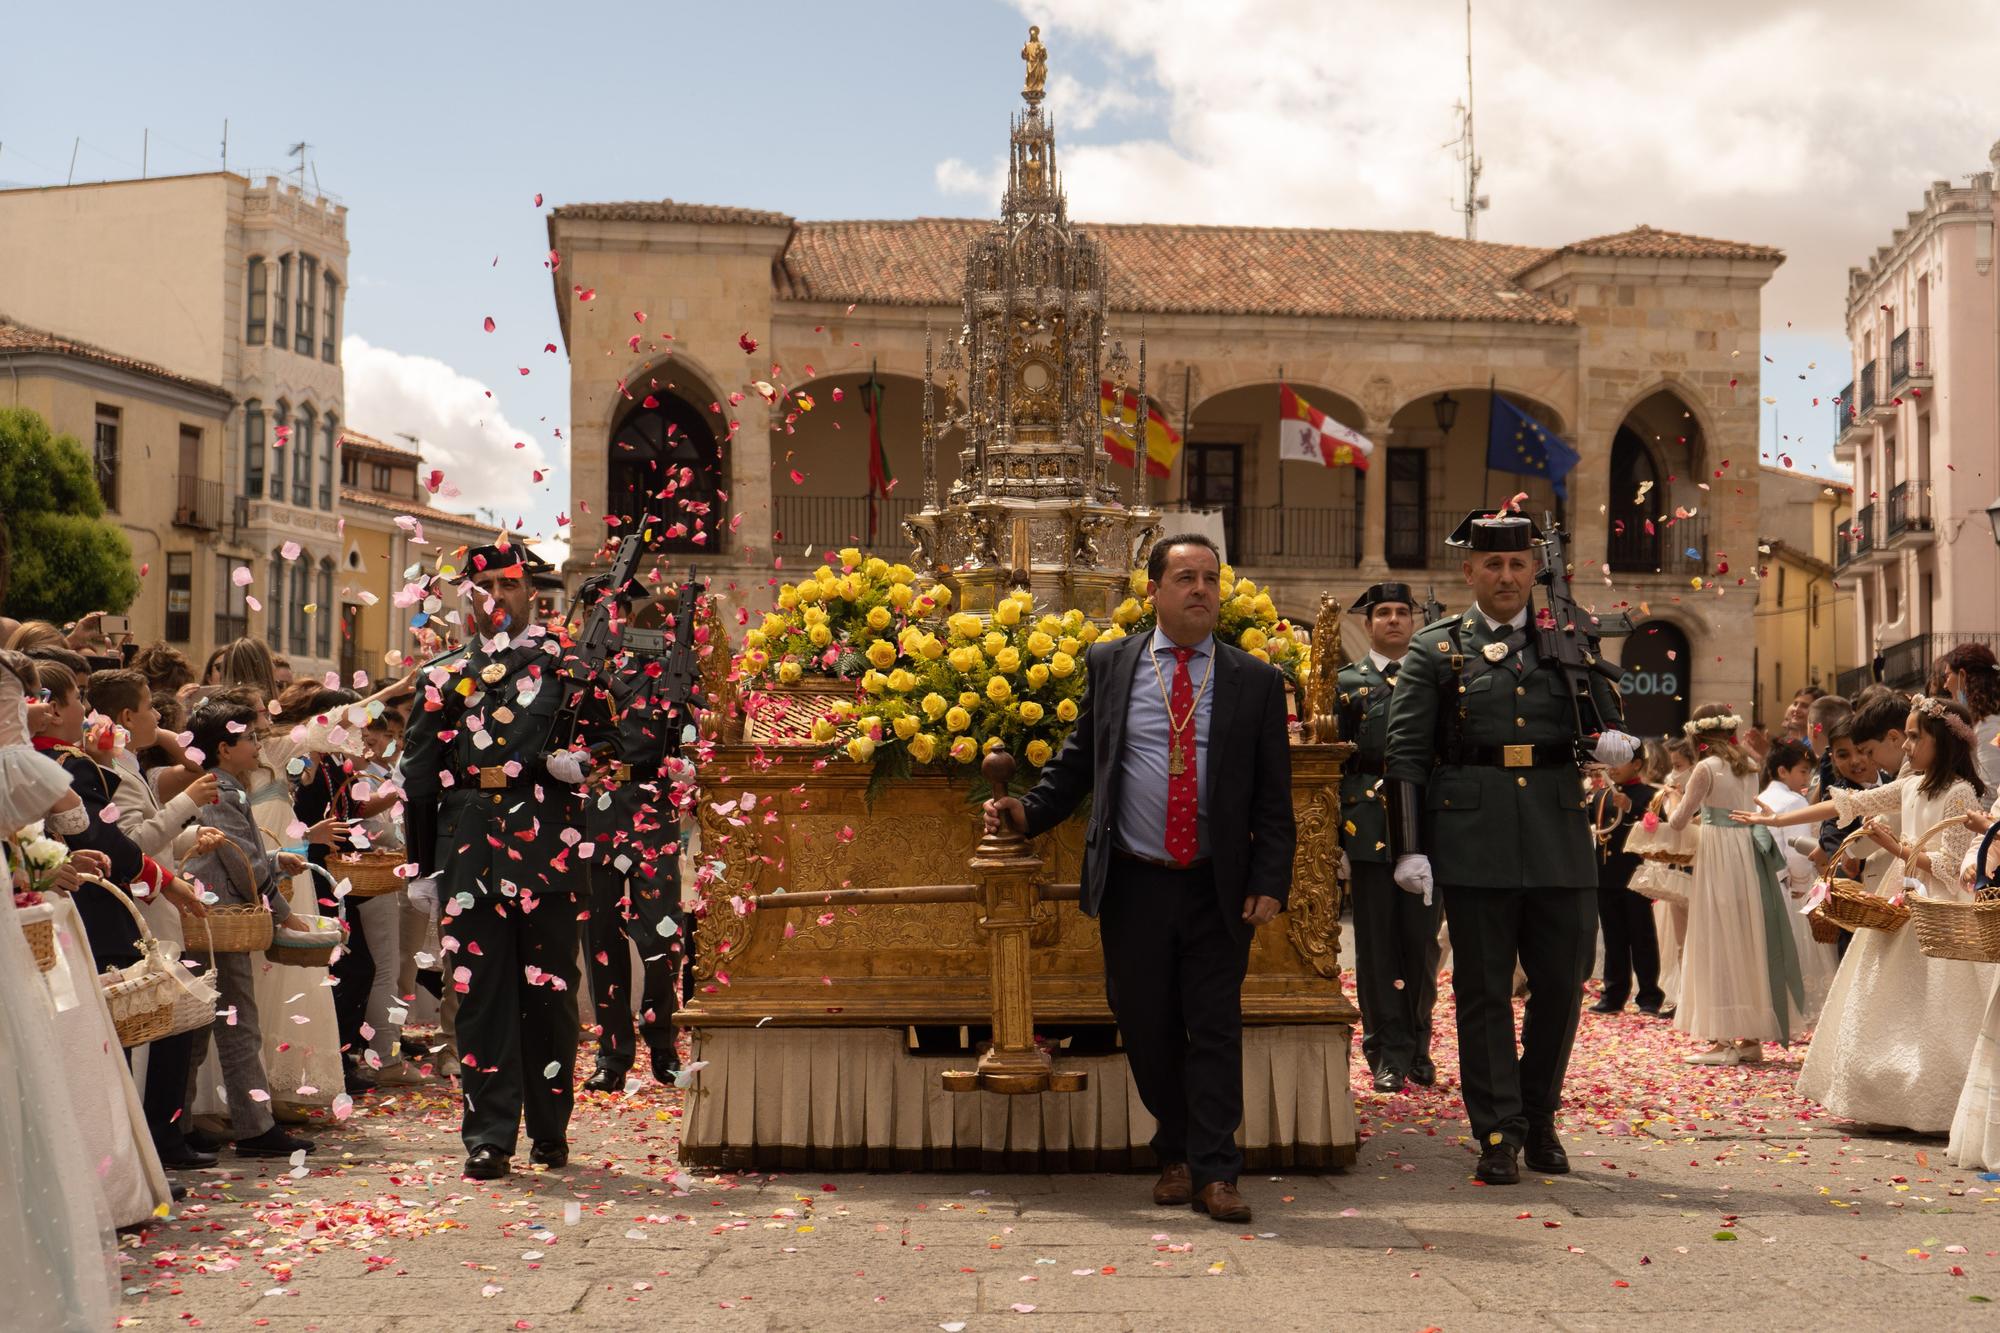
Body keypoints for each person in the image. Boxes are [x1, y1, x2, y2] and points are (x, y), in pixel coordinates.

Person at [985, 534, 1295, 1224]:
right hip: (1135, 881)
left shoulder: (1254, 680)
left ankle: (1215, 1171)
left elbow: (1276, 795)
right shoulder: (1114, 663)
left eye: (1211, 578)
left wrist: (1271, 875)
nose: (1201, 590)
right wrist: (1027, 812)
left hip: (1217, 883)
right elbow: (1077, 762)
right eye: (1185, 577)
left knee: (1213, 1026)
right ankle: (1175, 1149)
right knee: (1146, 1022)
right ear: (1151, 590)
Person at [1382, 509, 1635, 1186]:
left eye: (1518, 563)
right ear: (1469, 571)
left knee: (1560, 984)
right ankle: (1497, 1130)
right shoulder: (1437, 649)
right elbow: (1405, 755)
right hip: (1472, 838)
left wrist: (1614, 741)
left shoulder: (1569, 638)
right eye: (1492, 564)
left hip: (1556, 837)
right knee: (1483, 990)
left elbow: (1606, 722)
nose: (1506, 575)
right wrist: (1411, 847)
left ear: (1534, 569)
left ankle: (1539, 1112)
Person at [399, 537, 605, 1180]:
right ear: (466, 599)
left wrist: (585, 763)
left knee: (550, 997)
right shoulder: (441, 675)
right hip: (468, 852)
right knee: (481, 1000)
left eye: (508, 587)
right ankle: (489, 1137)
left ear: (530, 596)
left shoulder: (568, 668)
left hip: (546, 840)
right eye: (482, 589)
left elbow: (608, 738)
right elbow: (420, 776)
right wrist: (421, 866)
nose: (495, 599)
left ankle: (550, 1129)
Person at [1736, 695, 1988, 1133]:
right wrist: (1779, 822)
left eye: (1914, 736)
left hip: (1937, 906)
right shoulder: (1912, 784)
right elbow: (1851, 804)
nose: (1906, 745)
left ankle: (1939, 1100)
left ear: (1942, 741)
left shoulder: (1959, 792)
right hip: (1901, 897)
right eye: (1906, 736)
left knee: (1937, 1001)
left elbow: (1950, 865)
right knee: (1884, 992)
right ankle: (1887, 1097)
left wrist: (1896, 848)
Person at [179, 698, 319, 1157]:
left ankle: (178, 1122)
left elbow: (246, 853)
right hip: (220, 920)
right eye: (250, 738)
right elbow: (238, 861)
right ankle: (255, 1127)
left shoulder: (225, 786)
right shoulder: (218, 788)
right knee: (235, 1023)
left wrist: (277, 860)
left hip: (213, 917)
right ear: (224, 747)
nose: (258, 746)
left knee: (202, 1022)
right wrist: (280, 907)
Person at [584, 594, 695, 1091]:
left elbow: (694, 737)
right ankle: (612, 1055)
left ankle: (663, 1045)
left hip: (654, 810)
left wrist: (690, 763)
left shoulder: (678, 681)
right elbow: (578, 732)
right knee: (602, 936)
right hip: (601, 808)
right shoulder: (596, 676)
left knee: (660, 938)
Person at [1336, 581, 1440, 1093]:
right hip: (1369, 825)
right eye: (1384, 613)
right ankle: (1385, 1051)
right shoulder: (1344, 682)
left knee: (1421, 945)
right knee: (1376, 945)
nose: (1395, 620)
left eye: (1403, 612)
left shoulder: (1433, 680)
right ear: (1366, 623)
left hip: (1423, 822)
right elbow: (1334, 762)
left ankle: (1418, 1046)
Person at [1669, 705, 1805, 1064]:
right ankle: (1750, 1039)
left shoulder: (1706, 768)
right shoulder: (1749, 767)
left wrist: (1672, 800)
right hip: (1745, 854)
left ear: (1698, 738)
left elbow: (1680, 821)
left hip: (1717, 857)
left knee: (1717, 936)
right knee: (1747, 938)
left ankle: (1722, 1041)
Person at [1757, 738, 1840, 1019]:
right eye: (1802, 771)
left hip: (1765, 882)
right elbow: (1797, 848)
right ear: (1783, 771)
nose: (1806, 778)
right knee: (1801, 951)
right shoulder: (1794, 801)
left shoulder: (1761, 798)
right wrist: (1803, 883)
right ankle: (1802, 1009)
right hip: (1791, 882)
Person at [1590, 746, 1663, 1016]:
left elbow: (1660, 825)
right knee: (1613, 937)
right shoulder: (1601, 795)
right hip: (1606, 878)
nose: (1613, 767)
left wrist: (1631, 807)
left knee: (1641, 937)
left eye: (1620, 761)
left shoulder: (1650, 795)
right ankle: (1614, 993)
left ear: (1637, 764)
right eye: (1610, 762)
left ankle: (1649, 995)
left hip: (1636, 878)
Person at [1938, 642, 2000, 792]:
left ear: (1962, 676)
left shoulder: (1989, 728)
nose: (1945, 686)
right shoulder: (1983, 724)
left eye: (1947, 676)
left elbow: (1990, 790)